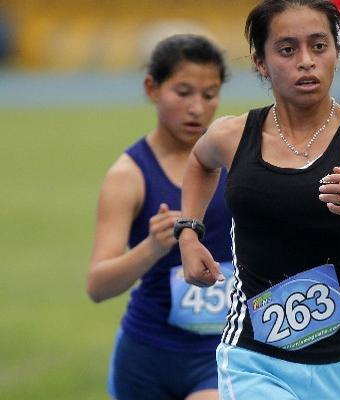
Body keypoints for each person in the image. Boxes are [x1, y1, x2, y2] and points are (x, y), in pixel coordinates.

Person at [178, 1, 340, 399]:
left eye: (319, 46)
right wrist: (189, 233)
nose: (306, 62)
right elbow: (199, 162)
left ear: (337, 53)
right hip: (253, 358)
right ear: (260, 62)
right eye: (287, 49)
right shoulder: (232, 136)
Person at [86, 34, 232, 400]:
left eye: (209, 94)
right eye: (183, 92)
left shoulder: (236, 162)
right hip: (146, 356)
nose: (197, 108)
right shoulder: (129, 176)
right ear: (152, 88)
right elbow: (98, 286)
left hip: (222, 353)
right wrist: (151, 247)